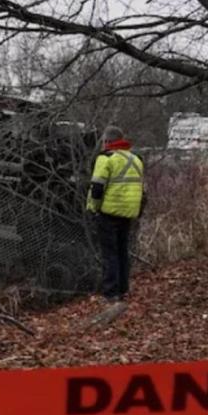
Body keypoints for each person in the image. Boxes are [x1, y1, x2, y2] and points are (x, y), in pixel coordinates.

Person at [86, 125, 145, 303]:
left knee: (109, 254)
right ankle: (123, 289)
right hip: (128, 213)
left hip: (109, 212)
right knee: (122, 251)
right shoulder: (136, 159)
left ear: (107, 141)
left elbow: (97, 188)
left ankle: (110, 293)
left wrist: (94, 208)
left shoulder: (106, 159)